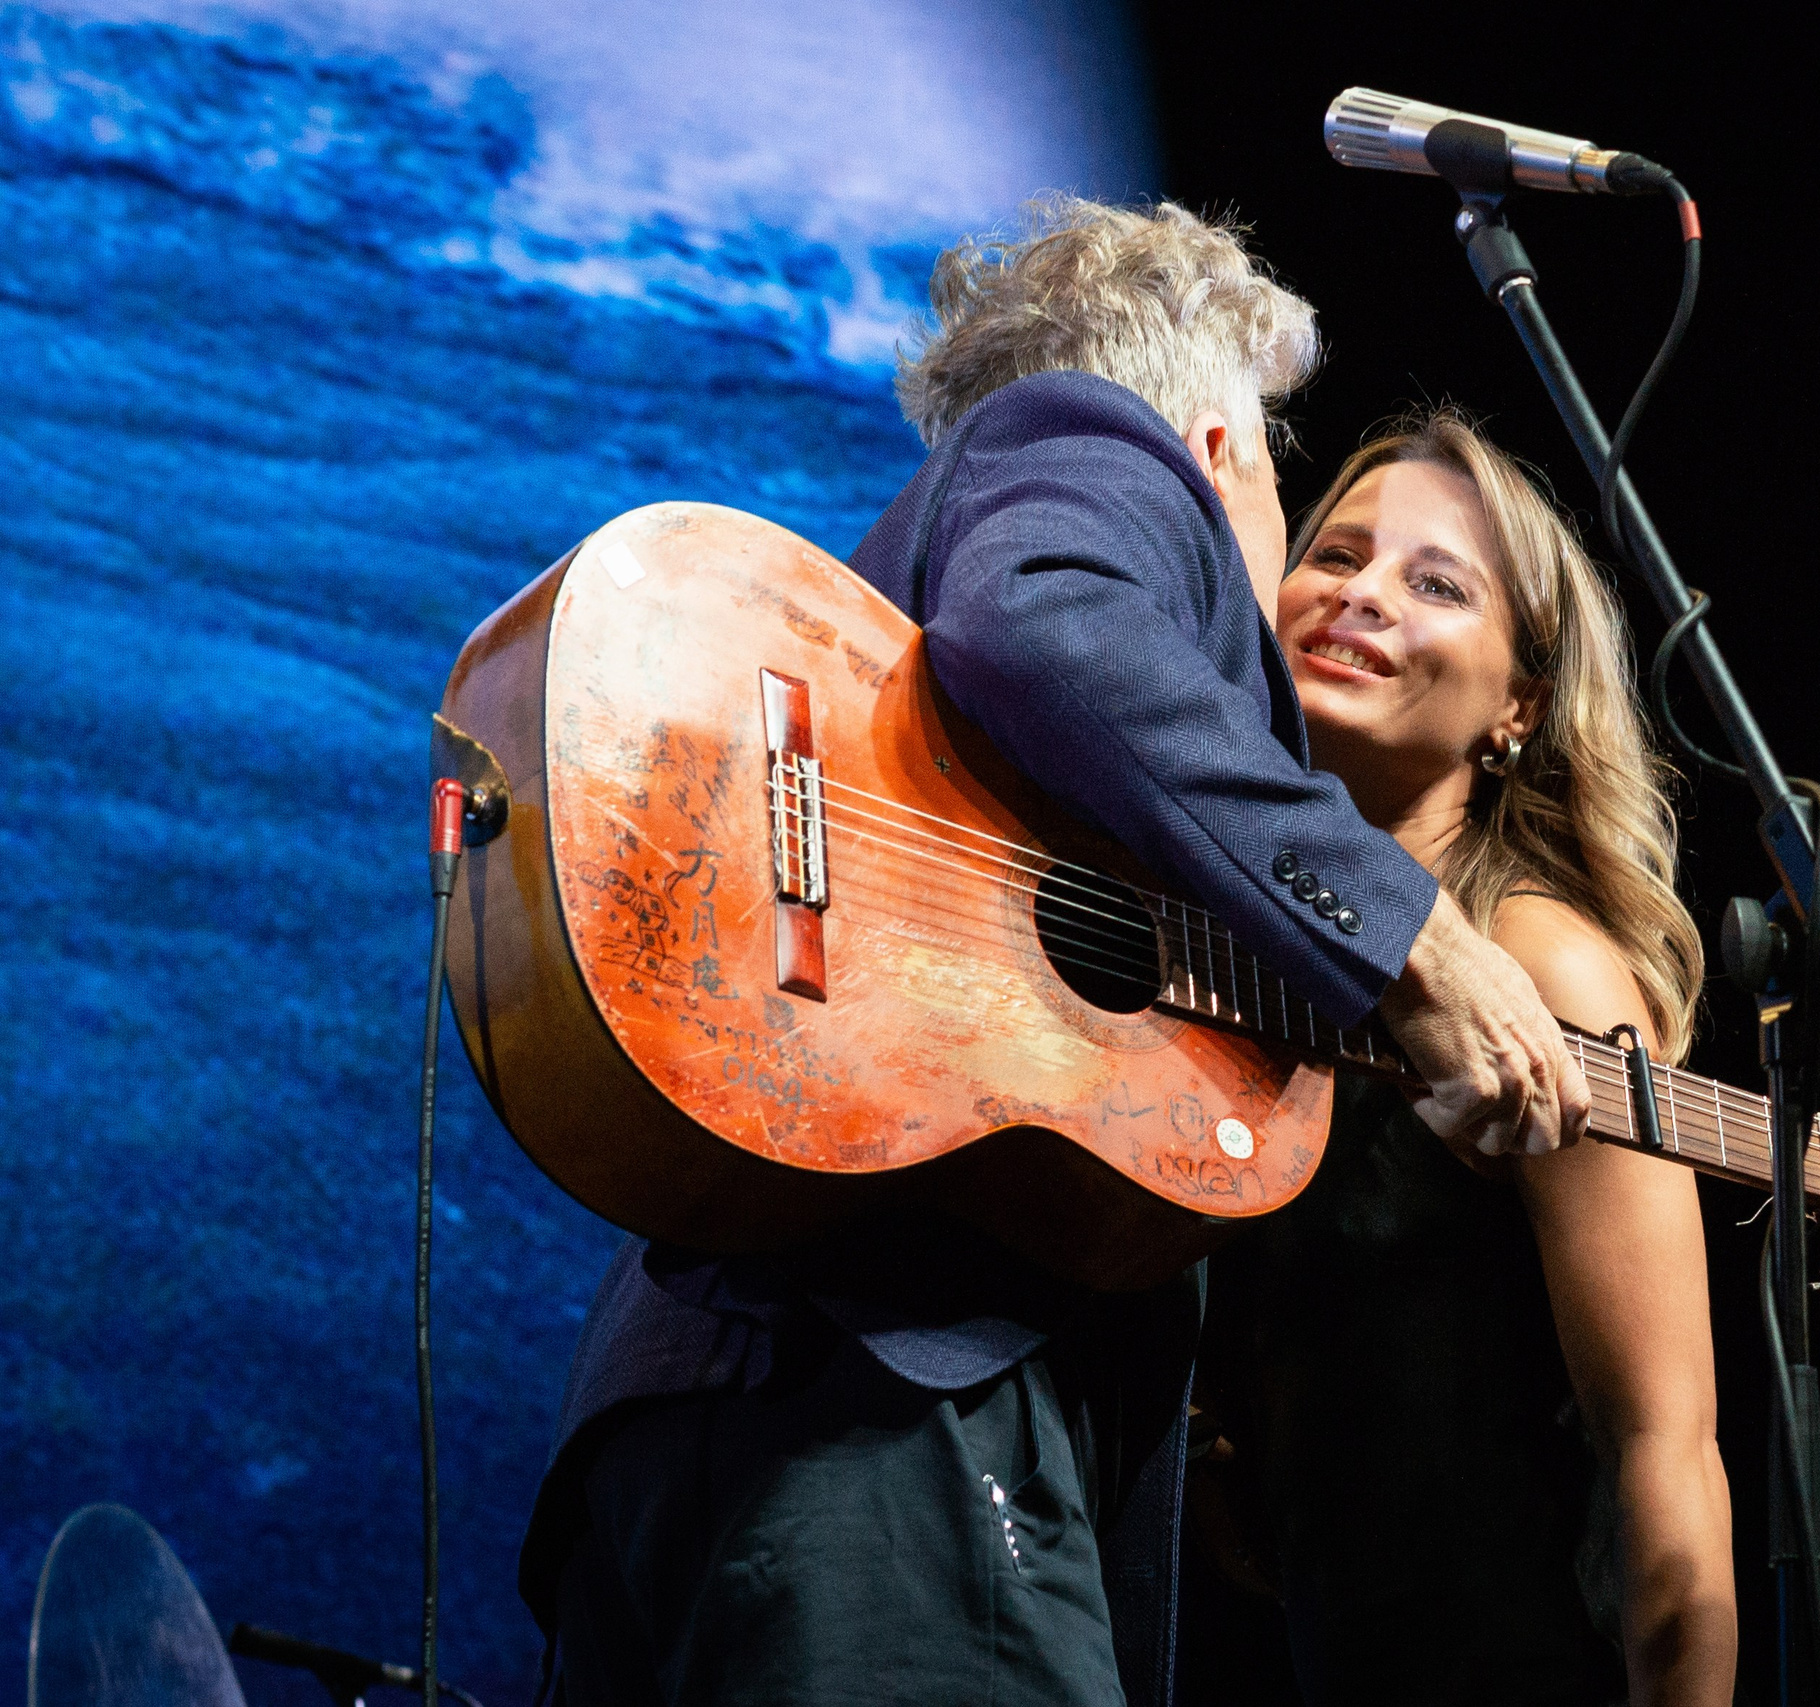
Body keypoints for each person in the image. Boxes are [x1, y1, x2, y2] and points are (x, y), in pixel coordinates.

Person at [517, 201, 1592, 1707]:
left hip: (713, 1419)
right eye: (1300, 494)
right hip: (894, 1411)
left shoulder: (979, 622)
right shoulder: (1104, 450)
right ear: (1220, 449)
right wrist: (1414, 937)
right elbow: (1044, 628)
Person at [1198, 412, 1738, 1705]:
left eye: (1435, 585)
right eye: (1335, 556)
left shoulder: (1542, 964)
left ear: (1519, 705)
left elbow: (1665, 1455)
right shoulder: (1218, 942)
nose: (1361, 597)